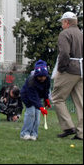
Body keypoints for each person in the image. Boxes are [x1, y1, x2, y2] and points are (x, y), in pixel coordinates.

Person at [52, 12, 83, 140]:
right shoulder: (81, 34)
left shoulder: (64, 34)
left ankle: (68, 126)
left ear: (67, 22)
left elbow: (64, 53)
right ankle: (81, 133)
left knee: (57, 98)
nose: (61, 25)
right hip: (81, 70)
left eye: (62, 22)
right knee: (81, 103)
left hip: (69, 69)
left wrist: (61, 69)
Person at [20, 60, 51, 140]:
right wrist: (41, 107)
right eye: (40, 77)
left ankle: (34, 134)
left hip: (37, 97)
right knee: (31, 113)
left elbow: (46, 89)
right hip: (27, 96)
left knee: (37, 116)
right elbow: (33, 97)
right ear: (36, 75)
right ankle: (25, 133)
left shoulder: (47, 79)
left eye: (44, 76)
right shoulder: (31, 81)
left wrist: (46, 99)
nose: (42, 78)